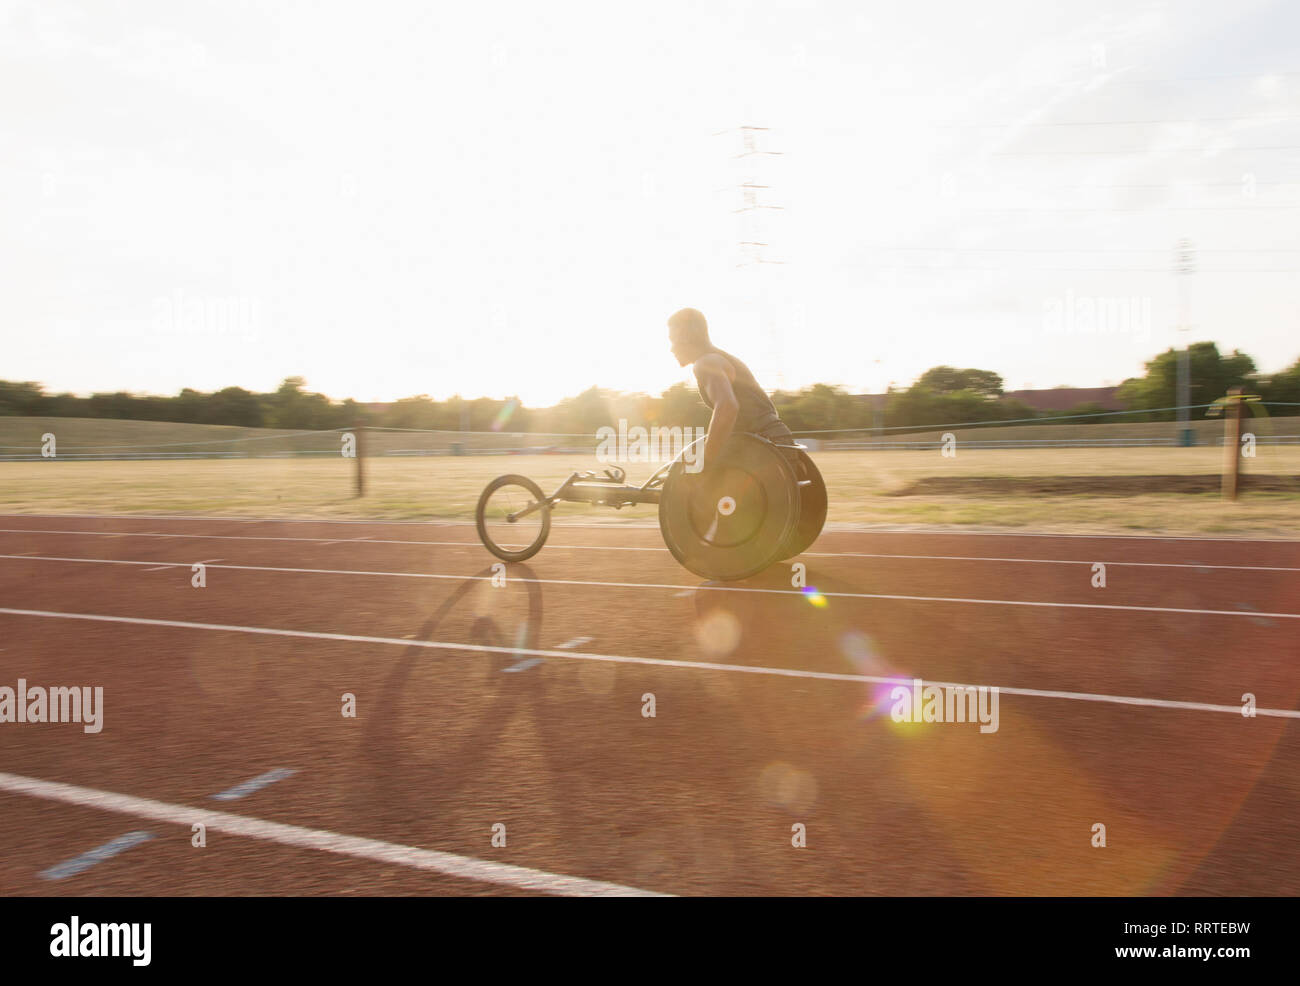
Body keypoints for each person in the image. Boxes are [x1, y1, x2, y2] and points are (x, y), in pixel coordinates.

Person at [667, 307, 797, 472]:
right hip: (778, 440)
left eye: (672, 341)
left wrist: (706, 459)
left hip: (763, 446)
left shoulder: (705, 363)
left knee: (692, 479)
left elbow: (727, 407)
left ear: (685, 338)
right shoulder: (721, 358)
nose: (671, 349)